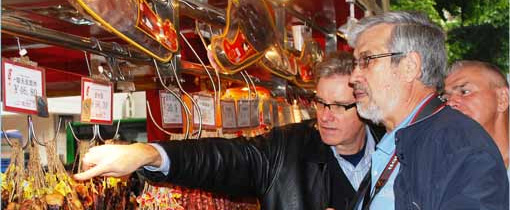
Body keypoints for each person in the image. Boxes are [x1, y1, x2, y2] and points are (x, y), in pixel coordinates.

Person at [74, 52, 383, 210]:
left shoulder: (399, 149)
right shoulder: (286, 150)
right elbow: (223, 158)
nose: (325, 116)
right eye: (319, 103)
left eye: (340, 106)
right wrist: (149, 153)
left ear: (366, 105)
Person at [347, 11, 508, 210]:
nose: (353, 77)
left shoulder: (462, 148)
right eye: (355, 64)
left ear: (410, 66)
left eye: (367, 60)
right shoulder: (398, 140)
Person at [443, 60, 509, 186]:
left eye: (464, 92)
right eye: (445, 98)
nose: (450, 103)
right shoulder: (446, 172)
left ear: (502, 99)